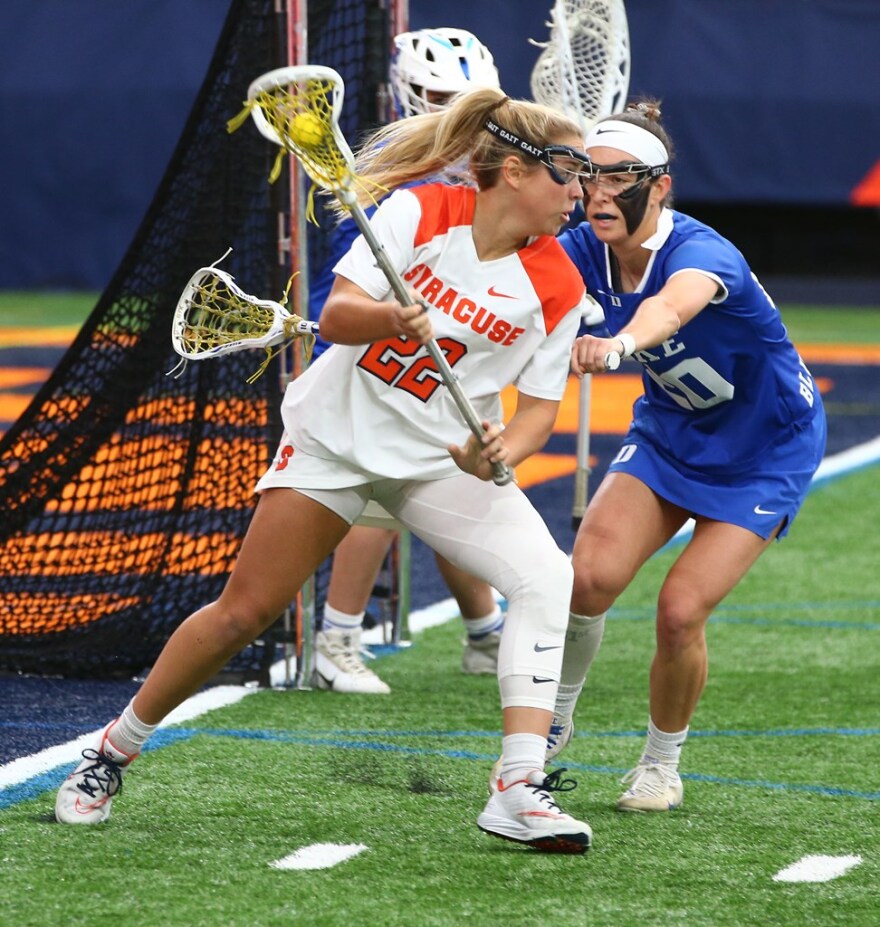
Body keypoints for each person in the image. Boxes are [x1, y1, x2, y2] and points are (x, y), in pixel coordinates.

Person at [55, 87, 597, 852]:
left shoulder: (559, 284)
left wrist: (502, 450)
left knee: (549, 579)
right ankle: (112, 751)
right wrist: (391, 318)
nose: (579, 194)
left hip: (436, 463)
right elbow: (338, 318)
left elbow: (540, 408)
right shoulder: (419, 213)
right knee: (243, 613)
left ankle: (517, 785)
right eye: (567, 175)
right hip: (335, 443)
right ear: (512, 170)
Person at [546, 100, 827, 812]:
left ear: (660, 186)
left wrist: (616, 345)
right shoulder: (581, 248)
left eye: (620, 179)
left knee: (678, 611)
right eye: (588, 177)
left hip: (767, 447)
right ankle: (555, 720)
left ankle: (660, 764)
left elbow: (670, 308)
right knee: (586, 579)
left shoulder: (702, 252)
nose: (598, 194)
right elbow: (519, 273)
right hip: (673, 429)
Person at [308, 28, 505, 695]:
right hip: (373, 341)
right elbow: (358, 291)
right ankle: (336, 636)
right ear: (413, 96)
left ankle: (483, 631)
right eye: (446, 98)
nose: (460, 115)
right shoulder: (396, 173)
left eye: (470, 102)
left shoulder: (477, 166)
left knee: (458, 487)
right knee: (384, 491)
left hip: (445, 342)